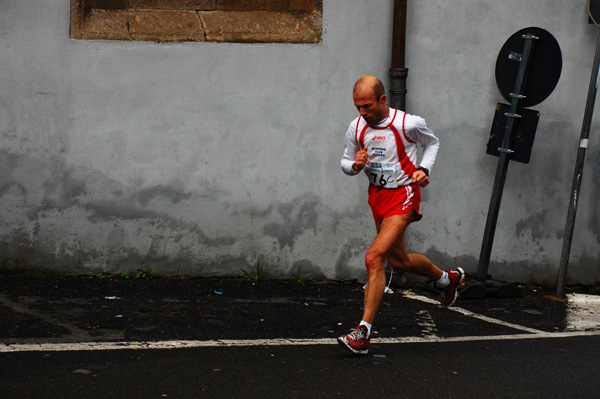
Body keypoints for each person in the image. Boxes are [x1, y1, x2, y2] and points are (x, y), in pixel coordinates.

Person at [337, 76, 464, 355]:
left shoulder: (408, 123)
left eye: (367, 106)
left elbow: (433, 143)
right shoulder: (356, 127)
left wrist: (424, 169)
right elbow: (345, 162)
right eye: (357, 106)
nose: (362, 112)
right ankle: (447, 279)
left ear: (383, 100)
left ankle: (363, 333)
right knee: (400, 261)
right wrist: (355, 166)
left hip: (404, 194)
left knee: (374, 257)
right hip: (378, 197)